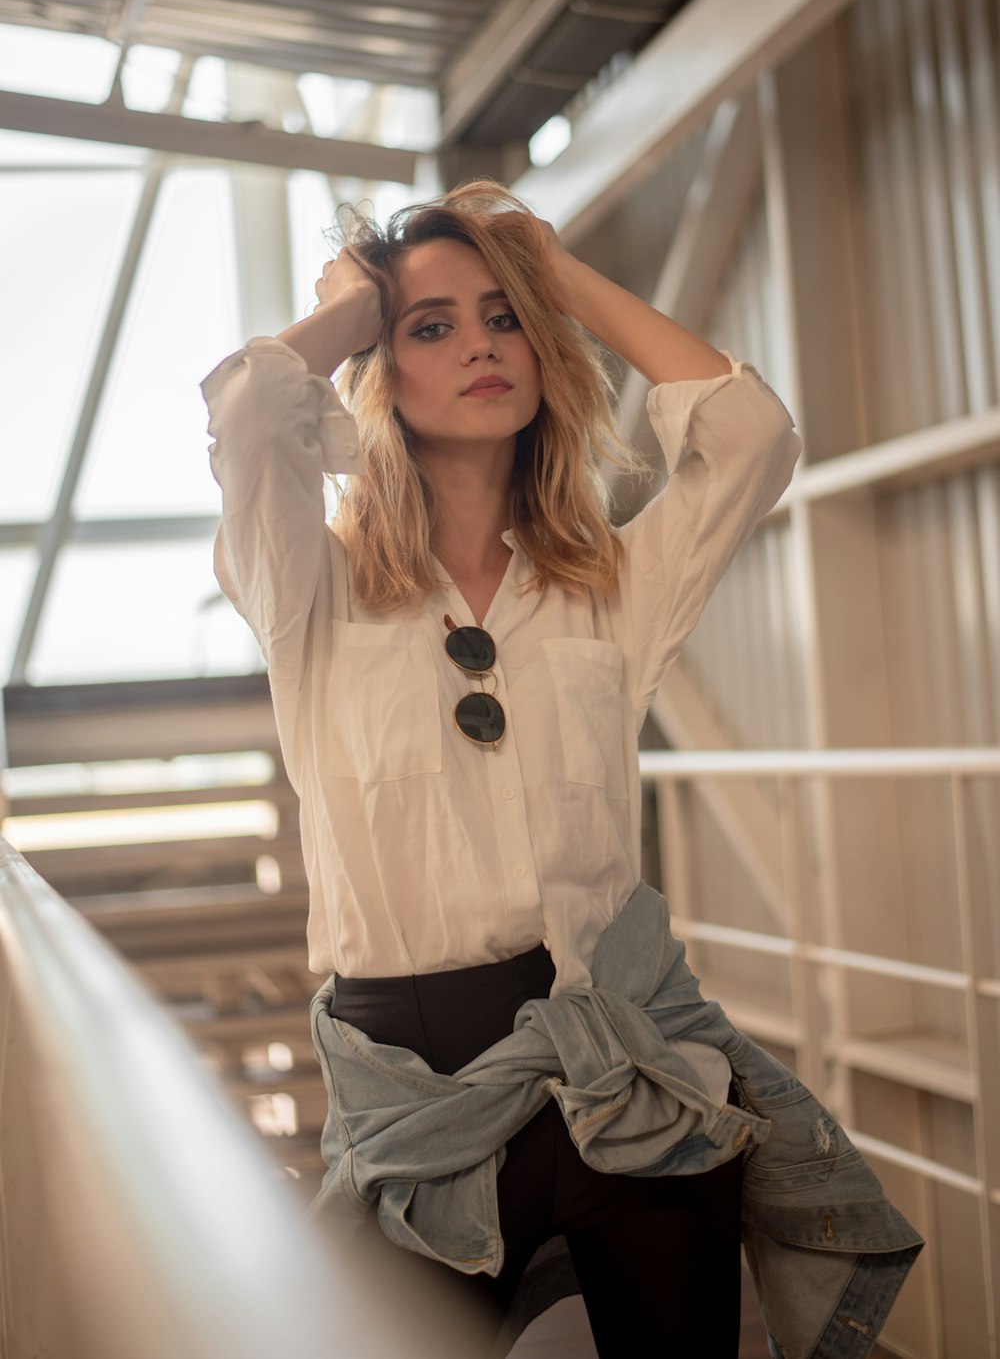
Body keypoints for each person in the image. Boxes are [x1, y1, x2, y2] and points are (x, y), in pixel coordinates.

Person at [202, 182, 918, 1357]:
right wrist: (349, 301)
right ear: (380, 368)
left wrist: (555, 270)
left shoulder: (605, 586)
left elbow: (753, 435)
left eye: (504, 316)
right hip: (419, 1088)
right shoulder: (308, 591)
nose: (481, 343)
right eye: (430, 325)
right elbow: (248, 415)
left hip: (630, 1070)